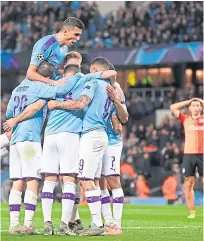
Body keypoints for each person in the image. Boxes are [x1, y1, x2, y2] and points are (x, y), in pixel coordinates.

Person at [6, 61, 87, 235]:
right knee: (32, 181)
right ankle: (28, 224)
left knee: (17, 182)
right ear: (47, 78)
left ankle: (13, 224)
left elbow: (8, 114)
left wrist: (13, 122)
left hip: (15, 140)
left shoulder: (17, 89)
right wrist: (74, 77)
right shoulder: (41, 87)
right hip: (30, 139)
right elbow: (44, 101)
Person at [41, 62, 116, 236]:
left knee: (80, 179)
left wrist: (56, 105)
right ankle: (86, 223)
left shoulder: (85, 82)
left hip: (85, 135)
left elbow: (81, 103)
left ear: (96, 70)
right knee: (87, 180)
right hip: (93, 134)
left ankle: (96, 224)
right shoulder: (103, 86)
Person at [100, 63, 129, 235]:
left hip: (111, 141)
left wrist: (115, 100)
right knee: (100, 182)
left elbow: (124, 118)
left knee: (113, 179)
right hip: (96, 139)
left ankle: (116, 224)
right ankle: (108, 222)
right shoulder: (94, 86)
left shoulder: (116, 89)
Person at [170, 98, 204, 218]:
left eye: (197, 105)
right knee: (188, 183)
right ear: (190, 108)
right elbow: (173, 107)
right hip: (188, 155)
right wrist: (189, 101)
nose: (195, 107)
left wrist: (201, 101)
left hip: (202, 154)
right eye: (193, 105)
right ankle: (192, 210)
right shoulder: (185, 119)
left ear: (201, 108)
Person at [26, 17, 84, 85]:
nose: (78, 38)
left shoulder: (65, 47)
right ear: (65, 31)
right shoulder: (47, 44)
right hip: (36, 90)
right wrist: (54, 82)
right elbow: (30, 74)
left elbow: (55, 72)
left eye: (79, 35)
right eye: (76, 34)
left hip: (49, 88)